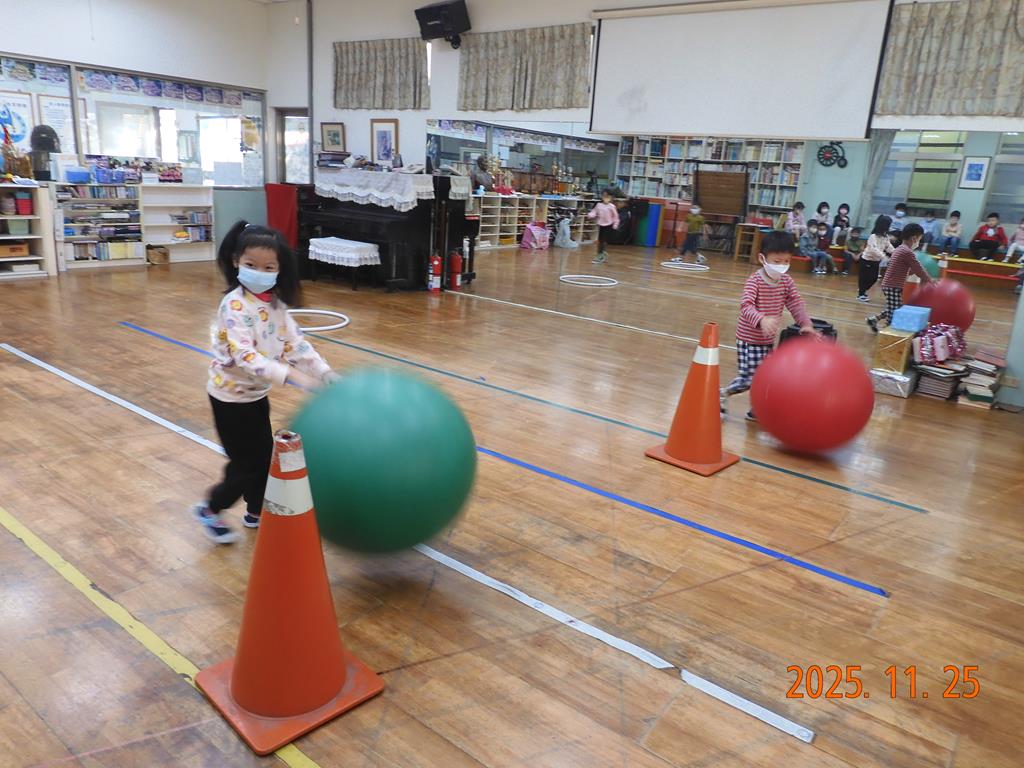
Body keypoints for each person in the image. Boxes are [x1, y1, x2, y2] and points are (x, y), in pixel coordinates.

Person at [192, 221, 337, 544]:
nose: (260, 272)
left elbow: (296, 345)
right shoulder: (234, 306)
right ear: (236, 262)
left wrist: (324, 372)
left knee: (263, 456)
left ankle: (256, 510)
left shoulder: (276, 306)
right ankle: (210, 508)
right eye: (251, 264)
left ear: (279, 269)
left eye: (269, 267)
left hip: (256, 396)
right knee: (247, 463)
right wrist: (293, 376)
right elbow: (246, 357)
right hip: (229, 399)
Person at [721, 230, 817, 421]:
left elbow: (796, 303)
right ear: (762, 259)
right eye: (776, 261)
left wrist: (806, 324)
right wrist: (761, 319)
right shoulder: (755, 281)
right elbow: (746, 306)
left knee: (766, 375)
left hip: (766, 339)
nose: (782, 266)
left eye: (786, 261)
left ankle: (756, 408)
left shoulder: (786, 282)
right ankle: (722, 393)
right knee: (750, 378)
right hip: (748, 338)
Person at [867, 223, 932, 332]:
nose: (918, 243)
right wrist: (929, 280)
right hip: (892, 286)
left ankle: (874, 319)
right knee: (895, 310)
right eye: (919, 239)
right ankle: (887, 331)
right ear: (914, 238)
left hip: (892, 285)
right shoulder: (907, 252)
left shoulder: (900, 249)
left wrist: (917, 272)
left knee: (894, 306)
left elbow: (906, 269)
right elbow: (918, 268)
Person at [858, 215, 894, 302]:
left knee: (874, 278)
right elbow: (873, 249)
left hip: (876, 261)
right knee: (864, 278)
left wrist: (896, 253)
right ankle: (861, 294)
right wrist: (884, 257)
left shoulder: (886, 237)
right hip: (866, 260)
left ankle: (862, 290)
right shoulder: (873, 236)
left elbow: (888, 247)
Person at [587, 188, 620, 264]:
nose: (606, 198)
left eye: (608, 196)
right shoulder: (599, 205)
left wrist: (615, 224)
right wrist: (590, 215)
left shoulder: (611, 206)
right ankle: (601, 253)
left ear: (611, 198)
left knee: (603, 241)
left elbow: (615, 217)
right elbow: (594, 212)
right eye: (604, 196)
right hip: (601, 224)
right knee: (600, 240)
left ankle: (600, 255)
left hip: (609, 225)